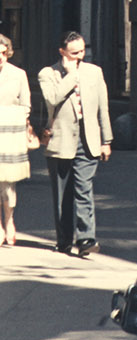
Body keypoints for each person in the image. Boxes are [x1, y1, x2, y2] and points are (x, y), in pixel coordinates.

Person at [38, 30, 112, 257]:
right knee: (62, 194)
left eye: (82, 51)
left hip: (87, 139)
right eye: (74, 53)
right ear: (62, 52)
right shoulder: (48, 74)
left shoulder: (94, 72)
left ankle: (86, 238)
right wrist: (70, 76)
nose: (80, 56)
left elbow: (103, 108)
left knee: (83, 188)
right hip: (60, 140)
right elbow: (52, 99)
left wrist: (106, 140)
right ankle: (64, 240)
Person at [0, 34, 31, 245]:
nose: (0, 57)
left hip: (10, 135)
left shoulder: (18, 75)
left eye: (3, 53)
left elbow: (26, 105)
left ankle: (9, 221)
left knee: (8, 185)